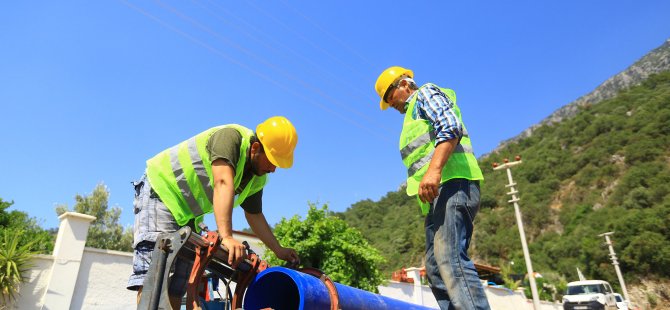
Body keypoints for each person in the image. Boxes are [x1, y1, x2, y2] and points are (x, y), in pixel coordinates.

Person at [126, 116, 301, 308]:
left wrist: (279, 250)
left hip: (188, 214)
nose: (274, 169)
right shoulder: (231, 138)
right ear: (255, 149)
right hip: (161, 191)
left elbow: (255, 215)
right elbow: (223, 182)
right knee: (156, 274)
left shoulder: (258, 178)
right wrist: (226, 236)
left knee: (179, 282)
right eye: (272, 160)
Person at [375, 67, 490, 310]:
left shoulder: (425, 93)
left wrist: (435, 170)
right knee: (436, 269)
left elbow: (450, 126)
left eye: (389, 96)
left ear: (404, 84)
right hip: (437, 197)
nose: (390, 104)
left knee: (450, 258)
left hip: (454, 183)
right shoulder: (411, 115)